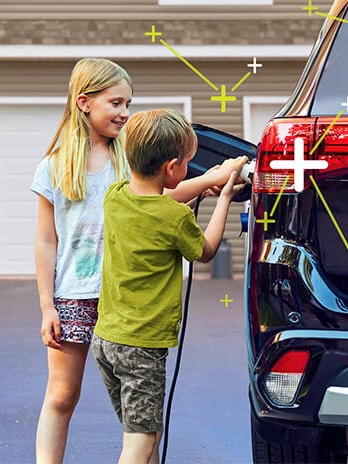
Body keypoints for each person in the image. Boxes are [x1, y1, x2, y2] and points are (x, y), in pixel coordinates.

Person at [31, 58, 245, 464]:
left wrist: (208, 181)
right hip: (76, 294)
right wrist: (47, 306)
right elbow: (46, 240)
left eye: (128, 103)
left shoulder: (127, 159)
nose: (125, 113)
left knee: (143, 416)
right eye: (116, 103)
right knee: (62, 395)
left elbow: (156, 203)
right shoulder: (54, 167)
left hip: (127, 297)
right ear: (84, 102)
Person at [92, 108, 243, 464]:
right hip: (141, 347)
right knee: (140, 442)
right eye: (187, 164)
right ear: (173, 167)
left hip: (108, 340)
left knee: (144, 431)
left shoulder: (115, 196)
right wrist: (221, 197)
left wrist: (207, 182)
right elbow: (204, 251)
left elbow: (161, 204)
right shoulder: (173, 218)